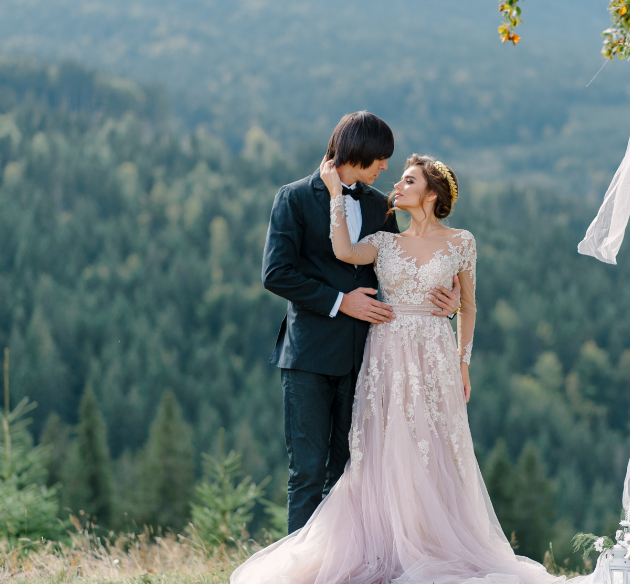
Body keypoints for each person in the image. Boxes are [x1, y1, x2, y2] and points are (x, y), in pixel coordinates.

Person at [235, 153, 572, 583]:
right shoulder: (385, 241)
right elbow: (342, 250)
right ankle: (377, 544)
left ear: (431, 194)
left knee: (429, 449)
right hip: (384, 353)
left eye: (408, 180)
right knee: (379, 449)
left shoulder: (462, 242)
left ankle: (428, 543)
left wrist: (462, 361)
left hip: (433, 357)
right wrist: (336, 194)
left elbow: (467, 305)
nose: (396, 184)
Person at [261, 111, 460, 533]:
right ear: (360, 152)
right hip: (308, 357)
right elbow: (276, 274)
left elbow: (405, 263)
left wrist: (448, 296)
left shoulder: (379, 205)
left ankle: (343, 569)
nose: (386, 168)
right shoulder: (293, 198)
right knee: (308, 475)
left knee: (353, 475)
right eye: (380, 159)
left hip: (368, 360)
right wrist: (339, 301)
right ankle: (302, 573)